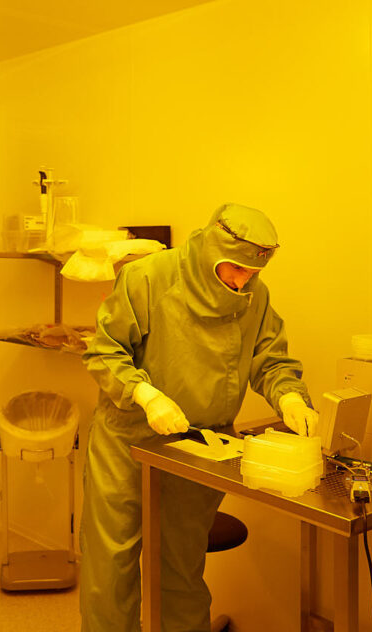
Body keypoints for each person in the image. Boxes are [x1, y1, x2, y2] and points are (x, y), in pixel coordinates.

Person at [79, 203, 318, 632]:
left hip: (200, 447)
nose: (241, 281)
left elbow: (271, 360)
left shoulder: (254, 296)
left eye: (252, 273)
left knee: (181, 563)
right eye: (234, 269)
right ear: (211, 250)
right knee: (111, 563)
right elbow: (103, 352)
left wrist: (290, 399)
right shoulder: (147, 278)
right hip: (127, 440)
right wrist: (146, 395)